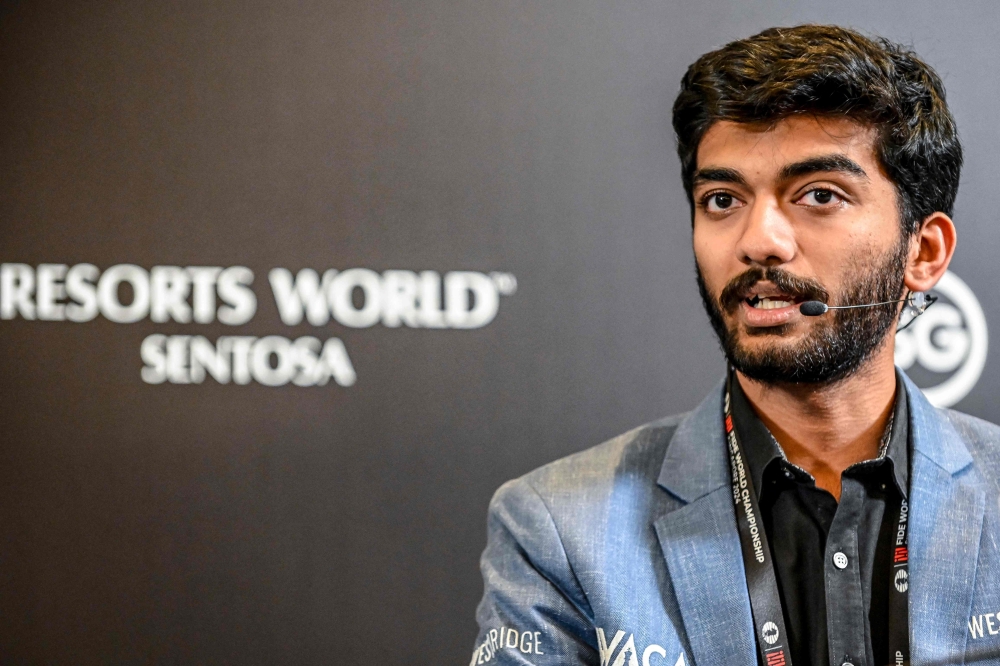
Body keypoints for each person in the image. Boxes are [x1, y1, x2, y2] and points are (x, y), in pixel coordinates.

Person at [470, 25, 1000, 666]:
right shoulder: (557, 528)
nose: (760, 240)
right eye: (722, 200)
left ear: (924, 251)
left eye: (819, 196)